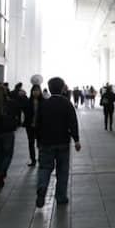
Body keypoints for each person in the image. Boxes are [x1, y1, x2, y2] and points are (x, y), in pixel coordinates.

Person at [36, 77, 80, 208]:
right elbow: (73, 122)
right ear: (62, 88)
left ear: (49, 88)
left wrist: (38, 141)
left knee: (45, 167)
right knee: (62, 169)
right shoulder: (67, 104)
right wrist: (76, 139)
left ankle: (42, 187)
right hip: (63, 142)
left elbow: (38, 124)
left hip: (46, 142)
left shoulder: (44, 104)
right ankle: (61, 197)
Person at [23, 85, 44, 167]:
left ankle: (41, 159)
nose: (36, 92)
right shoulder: (28, 101)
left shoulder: (43, 101)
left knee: (40, 143)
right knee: (31, 143)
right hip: (30, 126)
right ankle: (33, 160)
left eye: (37, 90)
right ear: (31, 92)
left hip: (40, 126)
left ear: (40, 91)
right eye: (34, 90)